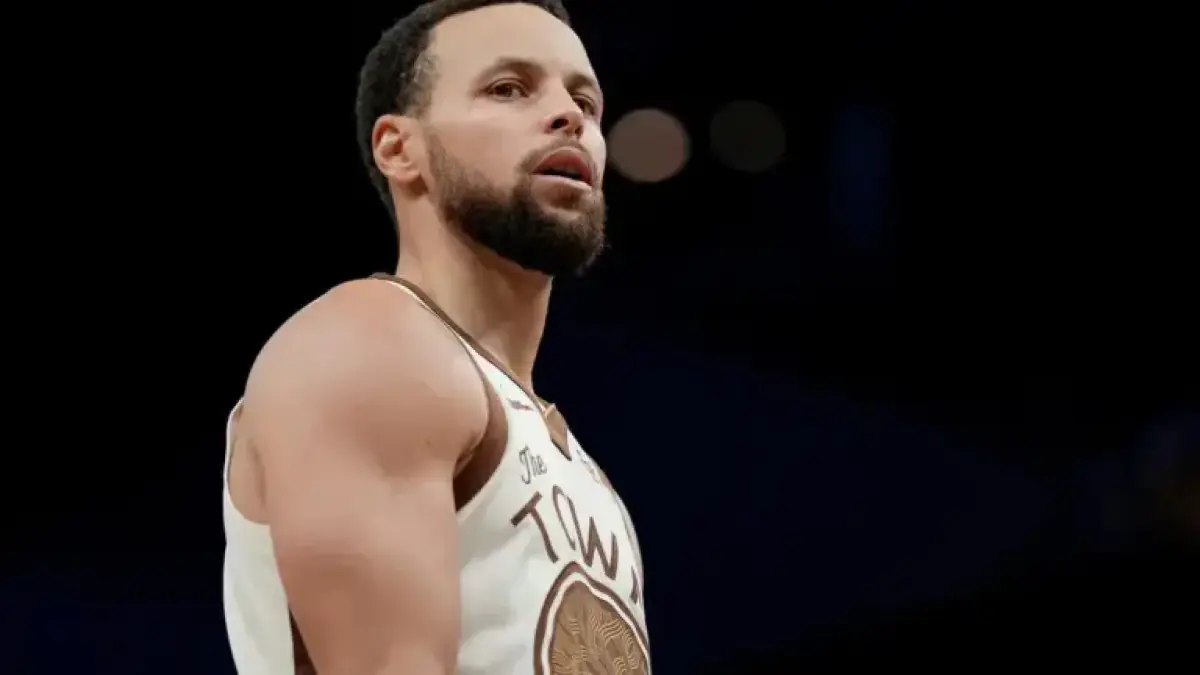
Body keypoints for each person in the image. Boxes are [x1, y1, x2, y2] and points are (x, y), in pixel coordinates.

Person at [221, 1, 650, 673]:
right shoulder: (370, 343)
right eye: (508, 88)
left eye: (586, 102)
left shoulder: (579, 467)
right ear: (400, 149)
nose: (569, 116)